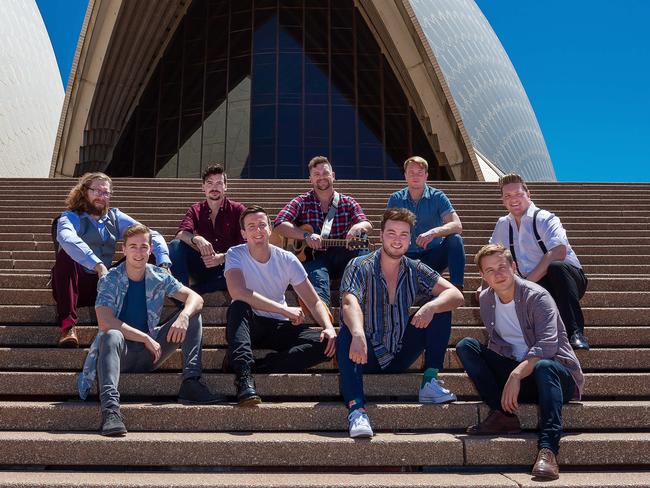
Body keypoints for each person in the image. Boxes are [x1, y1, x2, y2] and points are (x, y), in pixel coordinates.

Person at [457, 244, 584, 480]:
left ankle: (548, 450)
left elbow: (547, 346)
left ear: (514, 267)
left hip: (556, 376)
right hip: (521, 378)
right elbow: (497, 342)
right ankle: (502, 415)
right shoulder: (486, 299)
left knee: (544, 366)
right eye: (490, 270)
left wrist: (515, 375)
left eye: (502, 267)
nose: (498, 274)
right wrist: (509, 374)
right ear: (482, 276)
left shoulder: (537, 296)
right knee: (467, 346)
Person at [337, 208, 465, 438]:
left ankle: (430, 382)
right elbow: (349, 302)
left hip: (399, 351)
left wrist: (429, 307)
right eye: (391, 233)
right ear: (381, 236)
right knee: (348, 331)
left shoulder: (414, 268)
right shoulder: (359, 265)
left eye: (404, 235)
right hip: (366, 353)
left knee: (440, 308)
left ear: (410, 239)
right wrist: (358, 334)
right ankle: (357, 410)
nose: (397, 240)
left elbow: (456, 295)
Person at [94, 224, 224, 437]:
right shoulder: (110, 279)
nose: (138, 252)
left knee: (192, 314)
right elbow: (105, 321)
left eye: (143, 247)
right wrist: (145, 337)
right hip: (121, 355)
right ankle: (110, 411)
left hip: (152, 354)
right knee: (112, 335)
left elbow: (196, 298)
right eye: (133, 247)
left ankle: (191, 382)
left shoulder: (158, 275)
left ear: (151, 249)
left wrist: (182, 316)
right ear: (124, 250)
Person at [225, 205, 337, 406]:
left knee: (325, 344)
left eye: (262, 225)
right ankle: (244, 377)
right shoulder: (235, 254)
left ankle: (259, 367)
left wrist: (328, 328)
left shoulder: (287, 259)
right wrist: (284, 310)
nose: (258, 230)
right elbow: (238, 292)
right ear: (243, 233)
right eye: (251, 226)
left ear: (270, 228)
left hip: (278, 326)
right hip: (249, 325)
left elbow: (313, 301)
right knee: (238, 306)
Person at [52, 172, 171, 348]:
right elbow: (67, 238)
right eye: (97, 191)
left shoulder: (114, 217)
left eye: (106, 193)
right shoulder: (70, 217)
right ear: (85, 191)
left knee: (146, 252)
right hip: (77, 285)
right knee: (65, 256)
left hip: (108, 287)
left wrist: (164, 264)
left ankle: (140, 320)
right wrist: (98, 266)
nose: (101, 196)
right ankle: (67, 327)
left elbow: (150, 235)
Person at [486, 173, 589, 349]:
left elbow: (558, 251)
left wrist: (526, 284)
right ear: (502, 200)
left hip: (567, 280)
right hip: (536, 283)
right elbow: (491, 256)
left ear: (529, 194)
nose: (514, 200)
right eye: (508, 196)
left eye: (518, 194)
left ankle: (575, 333)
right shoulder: (503, 224)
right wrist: (486, 286)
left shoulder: (545, 218)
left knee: (557, 267)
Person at [273, 156, 372, 309]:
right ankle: (323, 312)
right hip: (314, 256)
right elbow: (279, 224)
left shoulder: (347, 202)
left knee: (362, 247)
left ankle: (355, 303)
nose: (321, 177)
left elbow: (366, 223)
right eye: (316, 174)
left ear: (333, 175)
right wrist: (305, 235)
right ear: (310, 179)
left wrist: (357, 227)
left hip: (342, 255)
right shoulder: (302, 202)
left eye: (325, 173)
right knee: (318, 277)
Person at [387, 156, 465, 290]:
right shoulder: (396, 199)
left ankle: (456, 288)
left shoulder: (438, 197)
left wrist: (434, 232)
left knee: (455, 239)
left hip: (433, 256)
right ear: (405, 175)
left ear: (426, 176)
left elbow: (457, 225)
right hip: (406, 258)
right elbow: (387, 230)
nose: (415, 176)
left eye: (420, 173)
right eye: (411, 172)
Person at [168, 163, 245, 294]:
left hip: (227, 268)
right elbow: (180, 234)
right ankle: (182, 295)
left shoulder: (238, 210)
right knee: (175, 246)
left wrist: (222, 257)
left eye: (219, 183)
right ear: (203, 187)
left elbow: (248, 247)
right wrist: (196, 239)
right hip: (203, 265)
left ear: (225, 186)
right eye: (210, 183)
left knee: (237, 276)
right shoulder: (195, 209)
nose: (214, 187)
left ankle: (191, 293)